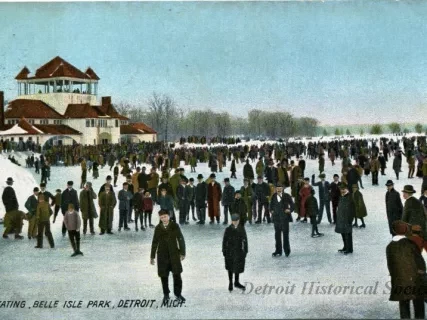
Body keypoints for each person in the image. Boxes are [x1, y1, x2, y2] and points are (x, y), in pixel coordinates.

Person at [386, 220, 426, 319]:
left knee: (403, 302)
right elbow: (419, 261)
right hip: (415, 279)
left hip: (399, 279)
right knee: (418, 302)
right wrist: (422, 272)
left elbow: (390, 264)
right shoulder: (410, 244)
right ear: (406, 230)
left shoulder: (390, 246)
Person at [150, 210, 186, 304]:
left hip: (174, 255)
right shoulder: (158, 228)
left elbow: (180, 239)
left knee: (177, 275)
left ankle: (178, 294)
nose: (164, 219)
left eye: (165, 217)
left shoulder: (175, 226)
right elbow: (155, 242)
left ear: (169, 216)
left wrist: (182, 253)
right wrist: (152, 256)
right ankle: (166, 294)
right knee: (164, 276)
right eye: (162, 218)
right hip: (162, 256)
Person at [222, 214, 248, 292]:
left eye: (236, 221)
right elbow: (224, 241)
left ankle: (236, 282)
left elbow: (245, 240)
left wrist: (245, 251)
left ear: (238, 221)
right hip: (229, 251)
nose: (235, 222)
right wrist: (224, 250)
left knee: (237, 266)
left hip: (239, 251)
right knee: (230, 267)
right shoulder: (228, 229)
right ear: (231, 221)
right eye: (234, 221)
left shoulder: (241, 229)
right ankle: (230, 282)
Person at [270, 184, 295, 257]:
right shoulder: (274, 196)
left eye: (280, 188)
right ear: (276, 189)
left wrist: (289, 210)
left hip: (284, 219)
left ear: (283, 188)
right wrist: (271, 210)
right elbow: (271, 205)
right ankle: (278, 251)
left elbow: (292, 205)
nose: (279, 190)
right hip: (276, 219)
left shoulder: (287, 196)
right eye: (277, 188)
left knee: (285, 235)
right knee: (277, 235)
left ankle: (287, 251)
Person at [335, 183, 355, 255]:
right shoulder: (341, 196)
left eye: (343, 189)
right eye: (341, 189)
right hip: (341, 219)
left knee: (348, 235)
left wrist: (350, 219)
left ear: (347, 189)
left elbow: (353, 210)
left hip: (347, 219)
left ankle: (349, 249)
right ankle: (345, 247)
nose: (342, 191)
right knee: (343, 234)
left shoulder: (350, 197)